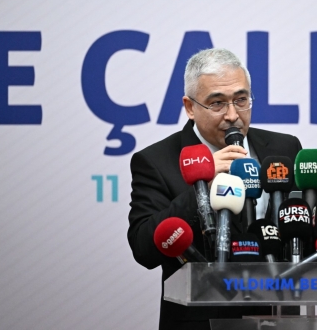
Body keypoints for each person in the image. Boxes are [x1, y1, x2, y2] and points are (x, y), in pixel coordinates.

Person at [127, 48, 303, 330]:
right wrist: (203, 186)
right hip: (201, 322)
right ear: (190, 107)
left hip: (280, 317)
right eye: (217, 103)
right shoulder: (157, 161)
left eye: (241, 100)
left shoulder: (284, 148)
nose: (233, 115)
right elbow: (143, 248)